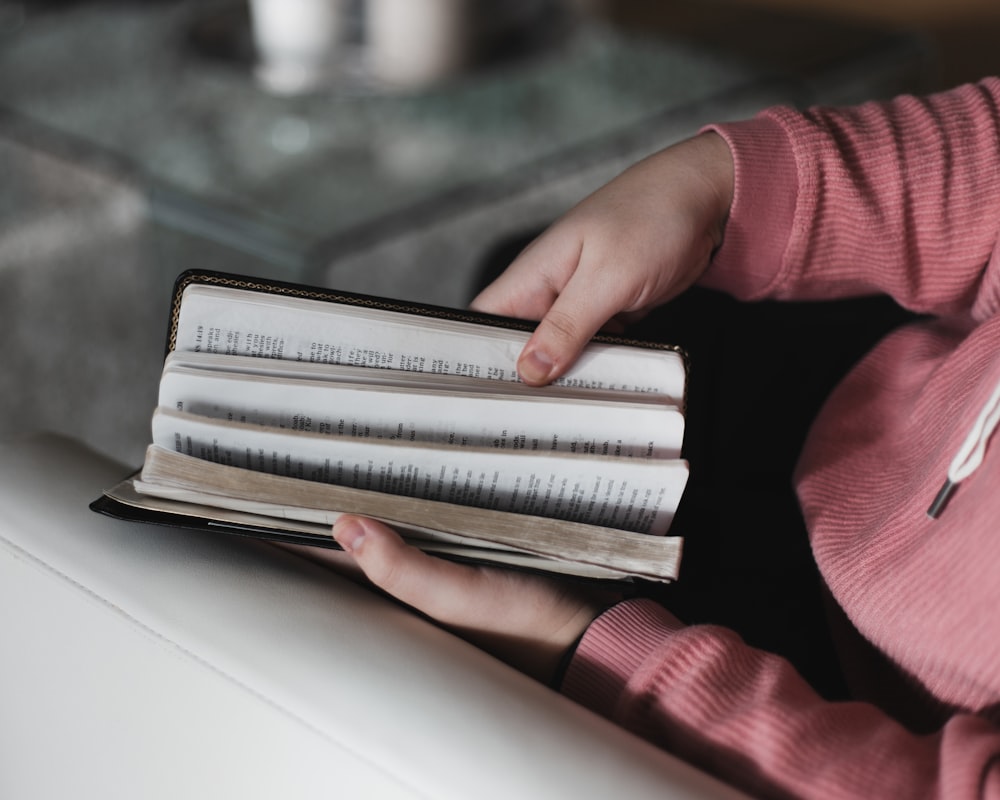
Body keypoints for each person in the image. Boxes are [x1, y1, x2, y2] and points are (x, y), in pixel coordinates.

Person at [330, 78, 1000, 798]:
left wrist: (585, 648)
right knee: (541, 273)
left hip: (850, 703)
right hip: (896, 402)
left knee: (428, 581)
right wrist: (720, 186)